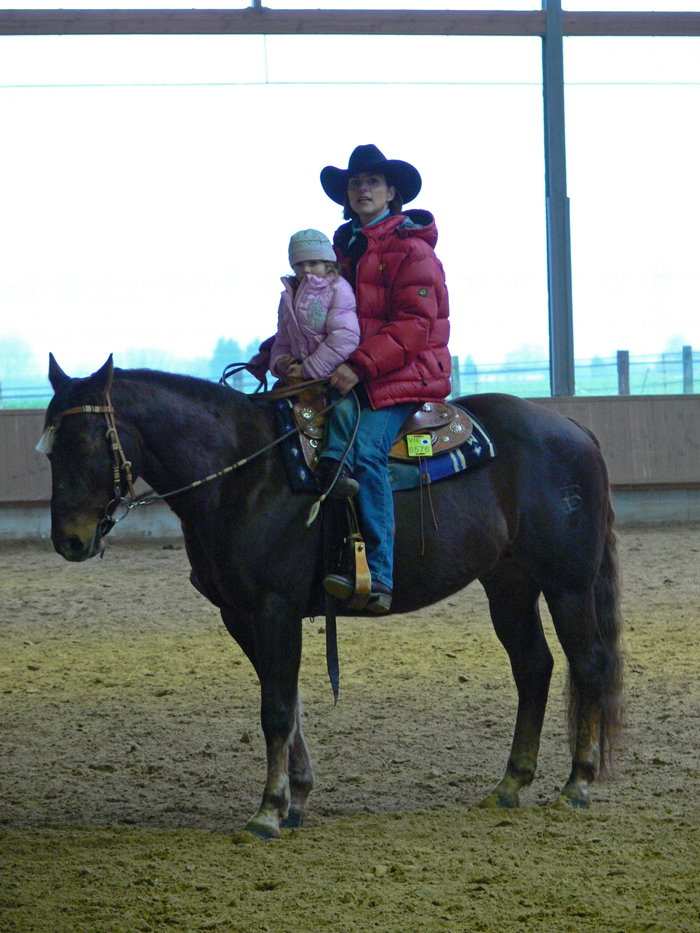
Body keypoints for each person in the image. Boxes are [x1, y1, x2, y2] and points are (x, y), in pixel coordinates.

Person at [318, 144, 451, 614]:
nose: (362, 189)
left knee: (367, 451)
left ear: (392, 192)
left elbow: (414, 326)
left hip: (404, 375)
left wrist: (358, 366)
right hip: (354, 374)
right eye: (355, 183)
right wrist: (273, 357)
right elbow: (312, 316)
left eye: (372, 181)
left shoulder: (413, 251)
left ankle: (378, 574)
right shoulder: (337, 253)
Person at [269, 229, 360, 384]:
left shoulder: (338, 289)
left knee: (338, 404)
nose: (305, 269)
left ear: (327, 264)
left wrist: (309, 369)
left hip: (333, 377)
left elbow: (345, 336)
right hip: (301, 378)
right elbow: (283, 339)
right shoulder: (288, 296)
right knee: (280, 398)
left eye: (313, 263)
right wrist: (280, 362)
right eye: (299, 264)